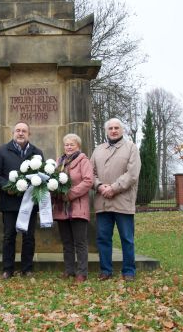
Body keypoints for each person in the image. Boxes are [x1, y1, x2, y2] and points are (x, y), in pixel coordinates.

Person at [90, 118, 141, 281]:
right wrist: (99, 186)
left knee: (127, 238)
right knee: (103, 238)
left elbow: (132, 174)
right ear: (106, 131)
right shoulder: (98, 150)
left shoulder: (131, 148)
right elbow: (91, 173)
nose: (113, 130)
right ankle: (106, 270)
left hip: (122, 201)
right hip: (102, 202)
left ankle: (128, 271)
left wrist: (114, 188)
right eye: (110, 128)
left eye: (116, 128)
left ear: (122, 130)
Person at [0, 121, 43, 279]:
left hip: (30, 202)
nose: (20, 133)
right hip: (9, 201)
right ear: (13, 133)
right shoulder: (2, 151)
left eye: (24, 131)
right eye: (18, 130)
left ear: (29, 134)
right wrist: (7, 187)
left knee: (29, 237)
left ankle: (27, 269)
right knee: (9, 236)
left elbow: (43, 176)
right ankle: (8, 269)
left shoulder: (37, 153)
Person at [52, 134, 93, 283]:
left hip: (78, 207)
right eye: (66, 144)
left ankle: (82, 272)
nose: (69, 147)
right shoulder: (59, 162)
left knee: (80, 242)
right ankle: (69, 270)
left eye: (72, 144)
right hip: (62, 208)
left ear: (78, 146)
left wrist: (70, 194)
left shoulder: (83, 160)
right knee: (67, 242)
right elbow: (53, 181)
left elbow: (88, 181)